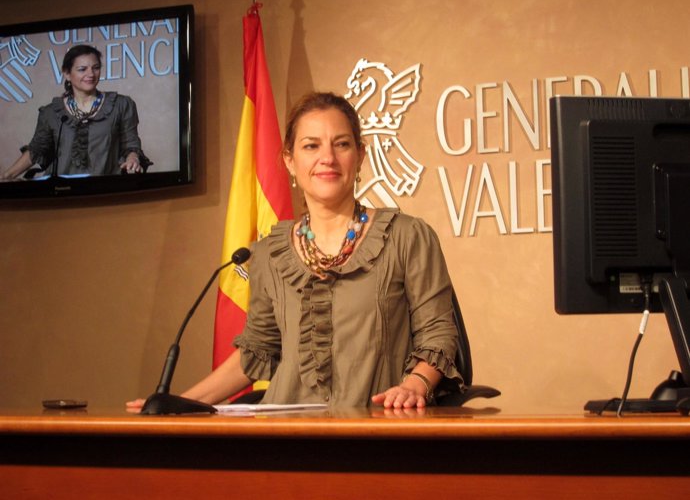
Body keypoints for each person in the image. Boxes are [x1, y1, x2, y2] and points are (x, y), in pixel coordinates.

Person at [128, 91, 463, 411]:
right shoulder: (269, 253)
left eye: (342, 144)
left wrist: (415, 385)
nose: (327, 158)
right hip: (286, 436)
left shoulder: (407, 236)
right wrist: (178, 403)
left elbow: (438, 335)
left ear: (360, 155)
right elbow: (255, 353)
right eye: (311, 146)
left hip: (378, 432)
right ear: (289, 160)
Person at [0, 44, 150, 181]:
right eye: (82, 69)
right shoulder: (51, 112)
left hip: (105, 190)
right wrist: (7, 176)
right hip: (60, 195)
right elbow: (37, 150)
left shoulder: (121, 105)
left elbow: (131, 144)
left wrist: (133, 158)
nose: (91, 74)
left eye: (96, 67)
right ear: (66, 74)